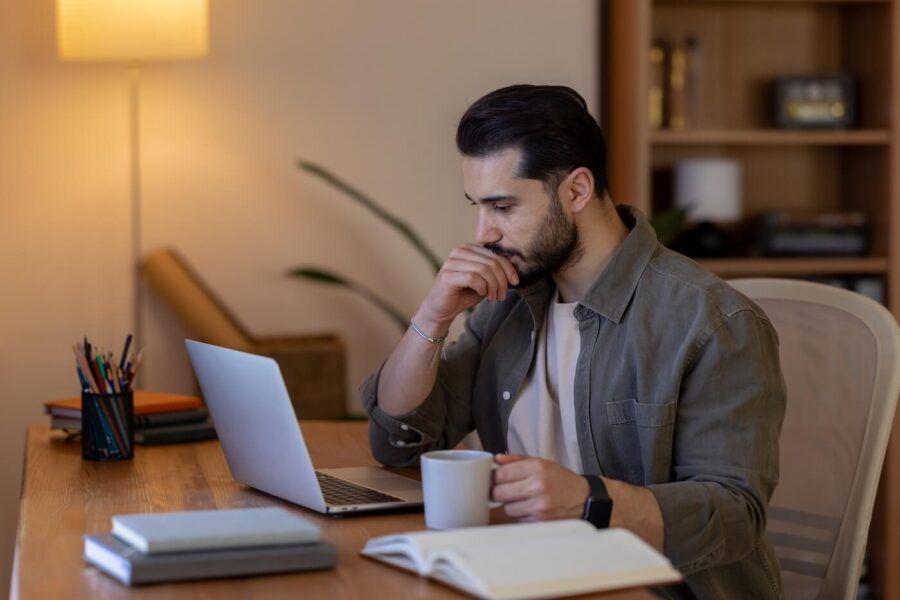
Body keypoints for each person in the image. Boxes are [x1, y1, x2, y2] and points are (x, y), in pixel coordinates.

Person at [361, 84, 786, 599]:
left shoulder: (712, 322)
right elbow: (400, 441)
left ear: (577, 191)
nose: (483, 232)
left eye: (502, 206)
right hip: (530, 575)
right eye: (478, 206)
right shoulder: (508, 305)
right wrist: (435, 313)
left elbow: (736, 514)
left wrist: (590, 500)